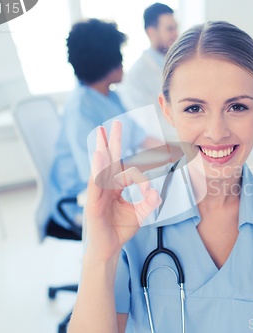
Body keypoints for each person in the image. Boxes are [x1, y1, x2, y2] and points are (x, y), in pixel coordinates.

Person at [68, 21, 253, 333]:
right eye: (194, 108)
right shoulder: (128, 222)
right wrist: (101, 256)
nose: (217, 133)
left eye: (237, 106)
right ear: (167, 111)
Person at [49, 19, 163, 234]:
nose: (123, 63)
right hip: (80, 199)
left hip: (116, 181)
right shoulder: (80, 109)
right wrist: (152, 164)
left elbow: (140, 137)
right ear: (106, 61)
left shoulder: (111, 96)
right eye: (119, 56)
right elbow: (97, 173)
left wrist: (176, 152)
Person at [117, 3, 178, 140]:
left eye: (175, 28)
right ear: (151, 32)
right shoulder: (136, 75)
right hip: (165, 147)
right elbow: (152, 124)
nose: (175, 34)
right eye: (169, 29)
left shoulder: (181, 64)